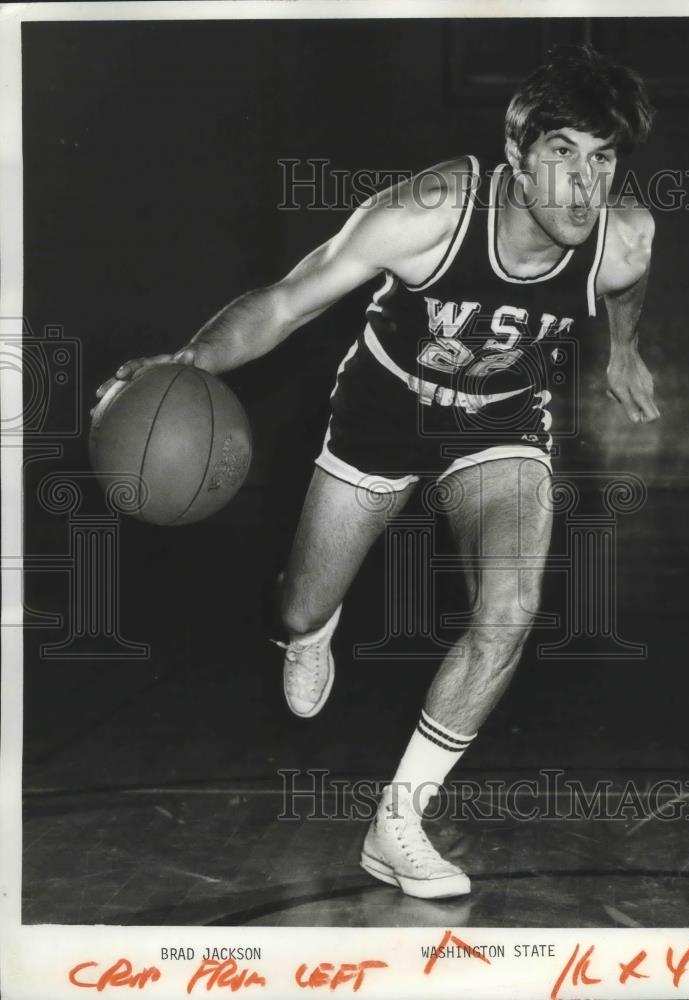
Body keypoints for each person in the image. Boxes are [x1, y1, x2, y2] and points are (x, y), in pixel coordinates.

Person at [96, 44, 659, 900]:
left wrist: (625, 352)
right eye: (562, 154)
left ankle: (399, 822)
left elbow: (625, 289)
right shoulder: (426, 212)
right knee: (299, 603)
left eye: (603, 159)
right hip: (385, 412)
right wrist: (185, 361)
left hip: (501, 421)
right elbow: (291, 298)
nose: (585, 187)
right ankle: (310, 629)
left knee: (509, 609)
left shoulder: (623, 238)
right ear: (515, 158)